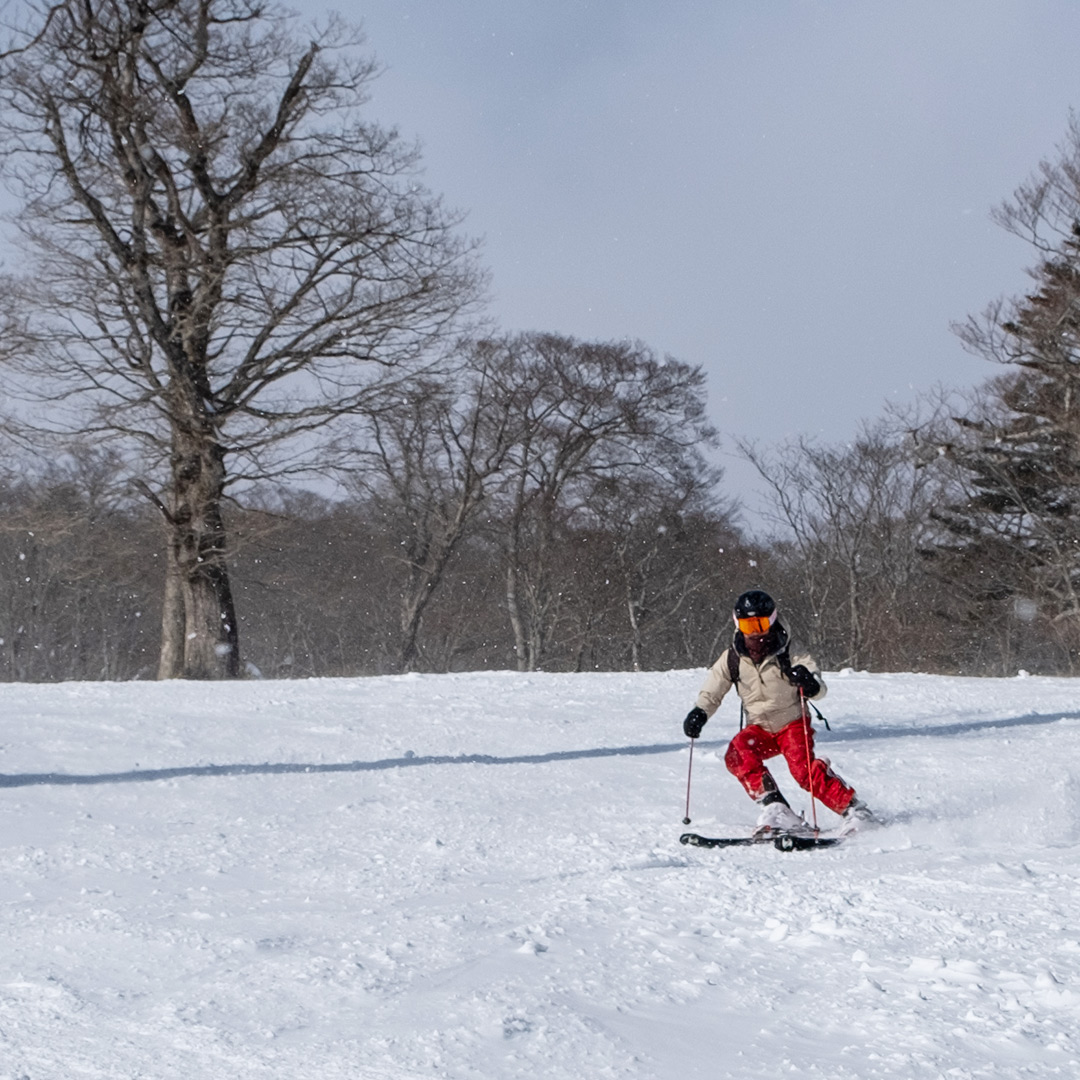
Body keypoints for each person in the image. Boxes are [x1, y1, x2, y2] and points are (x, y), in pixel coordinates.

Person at [682, 589, 874, 835]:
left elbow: (816, 683)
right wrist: (700, 712)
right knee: (738, 754)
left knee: (803, 772)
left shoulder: (789, 652)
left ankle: (853, 808)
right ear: (737, 624)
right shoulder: (733, 658)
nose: (755, 633)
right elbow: (713, 690)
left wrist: (809, 682)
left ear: (772, 621)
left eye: (760, 624)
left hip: (792, 724)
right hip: (759, 728)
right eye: (748, 625)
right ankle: (775, 806)